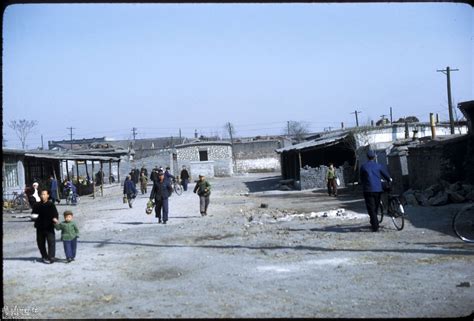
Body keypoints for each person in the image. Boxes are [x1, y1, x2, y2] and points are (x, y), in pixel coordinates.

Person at [360, 150, 392, 232]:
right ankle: (374, 222)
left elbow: (361, 178)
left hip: (368, 190)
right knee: (376, 207)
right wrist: (389, 179)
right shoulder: (378, 166)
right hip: (378, 189)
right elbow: (386, 175)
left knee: (371, 208)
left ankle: (375, 226)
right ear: (374, 157)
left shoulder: (363, 167)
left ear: (367, 157)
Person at [32, 190, 59, 264]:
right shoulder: (37, 205)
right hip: (39, 227)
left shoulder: (51, 205)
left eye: (44, 194)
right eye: (42, 194)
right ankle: (44, 256)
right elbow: (33, 214)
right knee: (40, 243)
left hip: (49, 226)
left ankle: (51, 257)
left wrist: (55, 219)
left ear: (48, 195)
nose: (43, 196)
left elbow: (55, 214)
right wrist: (33, 217)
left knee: (51, 242)